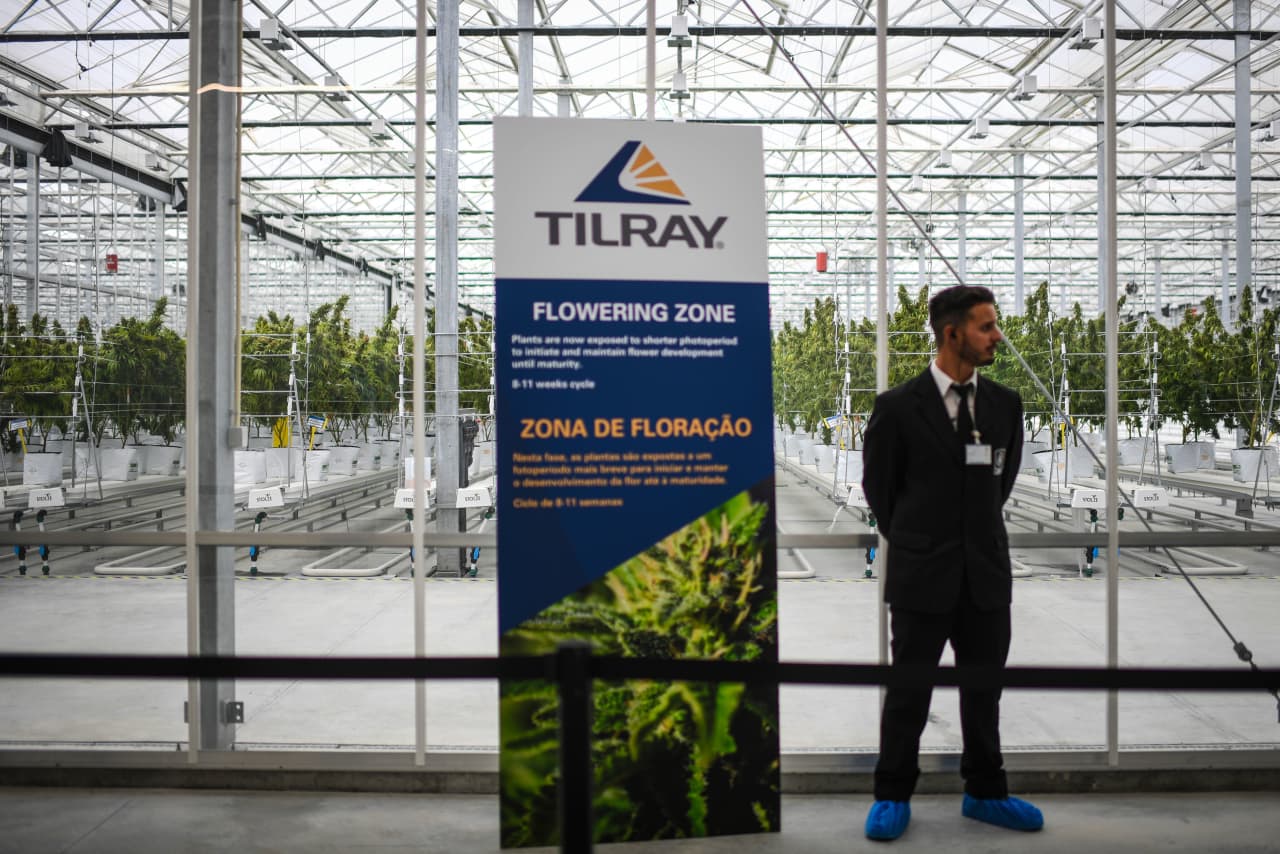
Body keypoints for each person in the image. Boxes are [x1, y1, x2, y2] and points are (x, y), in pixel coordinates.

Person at [860, 284, 1043, 841]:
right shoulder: (897, 408)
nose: (997, 336)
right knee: (908, 692)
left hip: (985, 575)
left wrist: (972, 538)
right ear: (951, 333)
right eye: (986, 326)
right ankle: (892, 795)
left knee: (984, 693)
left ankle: (986, 792)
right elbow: (880, 493)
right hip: (922, 577)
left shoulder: (1005, 405)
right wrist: (921, 541)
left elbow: (999, 485)